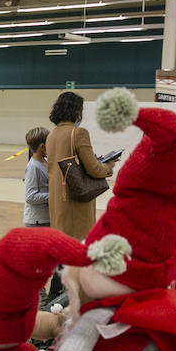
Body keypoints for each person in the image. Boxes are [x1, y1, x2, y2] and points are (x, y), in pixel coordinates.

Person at [43, 91, 112, 240]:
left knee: (62, 245)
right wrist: (108, 166)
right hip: (75, 202)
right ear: (75, 110)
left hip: (57, 201)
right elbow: (94, 170)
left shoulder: (51, 135)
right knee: (77, 248)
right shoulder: (79, 133)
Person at [22, 126, 51, 228]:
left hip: (45, 218)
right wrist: (52, 196)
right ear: (42, 147)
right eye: (50, 144)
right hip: (37, 221)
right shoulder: (33, 167)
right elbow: (30, 197)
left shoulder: (45, 161)